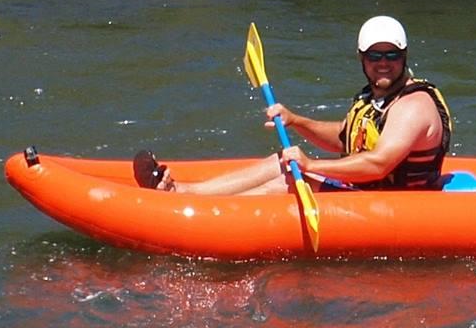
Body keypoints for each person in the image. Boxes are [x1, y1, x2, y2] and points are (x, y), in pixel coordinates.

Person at [135, 15, 453, 194]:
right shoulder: (376, 96)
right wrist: (295, 120)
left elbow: (379, 164)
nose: (383, 64)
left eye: (392, 55)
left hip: (398, 204)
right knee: (282, 161)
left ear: (405, 56)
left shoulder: (413, 106)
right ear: (362, 58)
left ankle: (196, 213)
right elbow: (346, 137)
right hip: (369, 192)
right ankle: (183, 192)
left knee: (293, 178)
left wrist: (312, 166)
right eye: (375, 56)